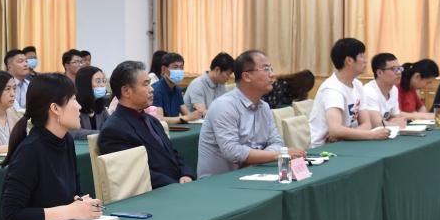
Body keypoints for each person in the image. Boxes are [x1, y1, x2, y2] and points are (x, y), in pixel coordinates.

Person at [0, 73, 102, 220]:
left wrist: (83, 203)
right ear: (55, 108)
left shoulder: (66, 140)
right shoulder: (30, 151)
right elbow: (10, 216)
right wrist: (69, 211)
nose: (79, 106)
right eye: (73, 99)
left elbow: (75, 193)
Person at [198, 50, 306, 178]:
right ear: (247, 77)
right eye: (266, 69)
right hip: (219, 182)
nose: (272, 75)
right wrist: (278, 154)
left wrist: (254, 160)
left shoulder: (264, 107)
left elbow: (276, 142)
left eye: (271, 69)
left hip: (252, 175)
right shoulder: (224, 106)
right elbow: (233, 152)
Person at [98, 61, 195, 188]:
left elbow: (173, 153)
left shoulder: (151, 120)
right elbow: (137, 174)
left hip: (176, 185)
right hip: (156, 192)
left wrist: (186, 174)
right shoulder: (114, 130)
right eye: (145, 84)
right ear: (126, 91)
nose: (152, 89)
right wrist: (176, 185)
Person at [308, 38, 390, 147]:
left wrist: (344, 135)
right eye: (362, 56)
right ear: (349, 60)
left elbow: (367, 124)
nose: (365, 61)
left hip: (345, 143)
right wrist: (372, 135)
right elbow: (335, 130)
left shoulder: (357, 85)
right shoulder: (332, 89)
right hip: (324, 148)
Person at [152, 52, 204, 125]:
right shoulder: (156, 90)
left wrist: (196, 114)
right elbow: (159, 119)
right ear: (164, 69)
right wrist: (184, 118)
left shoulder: (177, 90)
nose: (179, 70)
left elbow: (187, 114)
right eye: (175, 67)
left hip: (176, 128)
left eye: (181, 67)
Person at [361, 53, 410, 127]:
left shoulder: (394, 89)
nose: (399, 72)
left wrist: (391, 122)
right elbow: (377, 124)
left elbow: (397, 118)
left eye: (399, 68)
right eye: (394, 69)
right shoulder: (368, 91)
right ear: (379, 73)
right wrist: (395, 124)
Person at [75, 65, 110, 132]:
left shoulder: (100, 106)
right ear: (86, 84)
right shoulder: (74, 106)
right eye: (98, 81)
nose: (102, 85)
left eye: (103, 81)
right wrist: (100, 133)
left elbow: (110, 125)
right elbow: (75, 132)